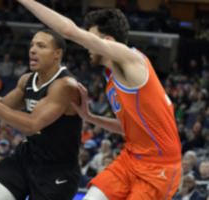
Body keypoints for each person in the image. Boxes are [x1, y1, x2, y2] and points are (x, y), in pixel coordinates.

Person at [16, 1, 182, 199]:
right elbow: (127, 126)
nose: (87, 46)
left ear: (108, 41)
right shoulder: (111, 76)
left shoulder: (132, 61)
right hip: (130, 159)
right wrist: (90, 116)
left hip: (159, 168)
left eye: (91, 39)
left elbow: (68, 30)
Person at [0, 29, 82, 200]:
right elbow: (3, 107)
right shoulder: (27, 80)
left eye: (41, 46)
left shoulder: (66, 85)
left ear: (57, 54)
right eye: (32, 45)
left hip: (57, 172)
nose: (32, 50)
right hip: (25, 159)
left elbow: (31, 125)